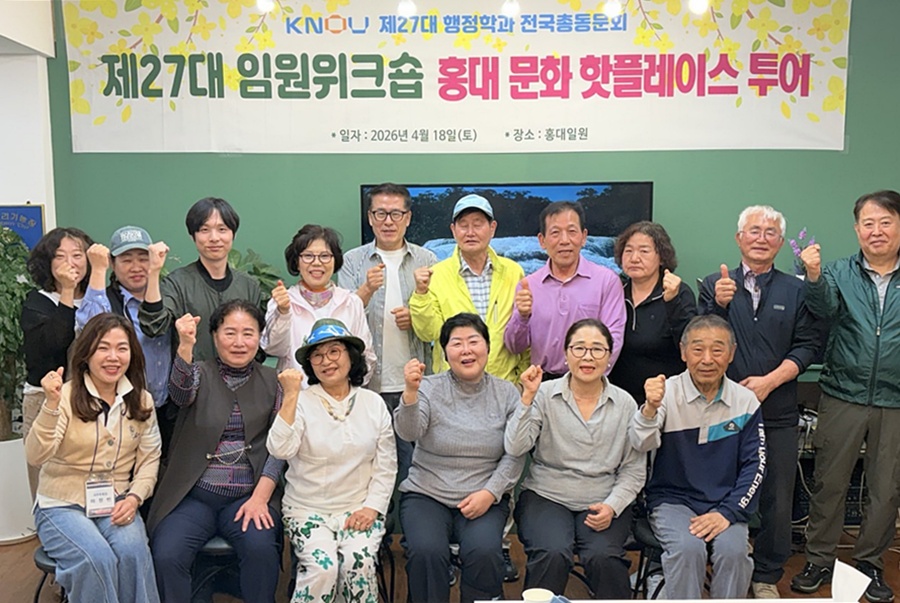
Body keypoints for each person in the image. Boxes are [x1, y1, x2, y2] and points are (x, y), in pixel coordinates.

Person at [698, 205, 824, 599]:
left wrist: (770, 382)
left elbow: (809, 345)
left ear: (781, 243)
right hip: (721, 411)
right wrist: (717, 305)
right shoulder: (714, 284)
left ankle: (766, 574)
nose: (761, 238)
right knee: (714, 488)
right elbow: (698, 342)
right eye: (754, 230)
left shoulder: (797, 289)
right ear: (739, 238)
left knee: (777, 498)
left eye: (771, 232)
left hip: (778, 411)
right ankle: (716, 563)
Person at [790, 190, 900, 603]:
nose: (876, 231)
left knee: (886, 489)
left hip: (895, 399)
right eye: (868, 223)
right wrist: (813, 275)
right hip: (842, 395)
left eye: (886, 222)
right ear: (857, 230)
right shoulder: (837, 272)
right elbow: (823, 309)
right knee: (829, 483)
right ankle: (819, 559)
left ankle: (870, 563)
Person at [148, 300, 284, 603]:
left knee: (261, 549)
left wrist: (260, 498)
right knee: (167, 554)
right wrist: (185, 345)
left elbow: (280, 447)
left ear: (260, 338)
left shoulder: (274, 382)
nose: (239, 342)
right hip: (193, 497)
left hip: (247, 498)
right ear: (214, 336)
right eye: (230, 333)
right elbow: (179, 394)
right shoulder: (198, 373)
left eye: (248, 333)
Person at [25, 313, 161, 603]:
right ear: (86, 353)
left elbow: (150, 460)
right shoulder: (64, 397)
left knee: (133, 552)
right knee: (96, 559)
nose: (113, 357)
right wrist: (50, 405)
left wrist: (134, 498)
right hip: (60, 504)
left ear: (132, 355)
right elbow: (36, 456)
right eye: (103, 347)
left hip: (116, 499)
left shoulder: (142, 400)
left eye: (122, 348)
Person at [628, 314, 766, 599]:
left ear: (731, 353)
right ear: (683, 352)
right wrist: (650, 409)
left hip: (726, 501)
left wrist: (727, 512)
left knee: (734, 552)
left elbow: (755, 465)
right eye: (698, 349)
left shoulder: (746, 401)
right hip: (672, 500)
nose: (707, 359)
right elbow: (640, 443)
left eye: (717, 350)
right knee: (688, 548)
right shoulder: (666, 394)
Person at [506, 318, 645, 598]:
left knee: (603, 556)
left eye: (597, 349)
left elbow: (633, 469)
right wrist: (527, 399)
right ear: (566, 353)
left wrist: (613, 507)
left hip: (602, 498)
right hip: (547, 495)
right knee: (553, 551)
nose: (587, 357)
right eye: (579, 348)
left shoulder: (625, 403)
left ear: (609, 356)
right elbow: (515, 446)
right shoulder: (544, 394)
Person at [395, 313, 526, 603]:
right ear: (445, 353)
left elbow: (515, 453)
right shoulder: (428, 387)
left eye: (473, 341)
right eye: (456, 343)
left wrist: (490, 493)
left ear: (487, 347)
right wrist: (411, 393)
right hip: (427, 493)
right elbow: (408, 432)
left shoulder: (506, 393)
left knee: (484, 551)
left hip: (483, 494)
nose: (466, 350)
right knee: (426, 551)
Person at [267, 318, 397, 603]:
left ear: (351, 356)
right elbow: (279, 449)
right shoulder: (301, 402)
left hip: (359, 507)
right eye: (317, 355)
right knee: (322, 568)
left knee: (357, 563)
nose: (326, 361)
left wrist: (372, 507)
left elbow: (386, 466)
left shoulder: (373, 404)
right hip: (307, 509)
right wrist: (290, 396)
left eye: (334, 351)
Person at [337, 183, 437, 484]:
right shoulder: (352, 261)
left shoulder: (427, 260)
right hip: (368, 382)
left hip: (415, 380)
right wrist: (367, 289)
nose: (388, 221)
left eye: (396, 214)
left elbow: (439, 321)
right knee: (369, 463)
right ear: (370, 218)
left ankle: (410, 515)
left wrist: (416, 317)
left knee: (414, 465)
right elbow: (342, 320)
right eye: (380, 213)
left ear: (408, 218)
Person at [409, 194, 528, 384]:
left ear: (492, 228)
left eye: (478, 224)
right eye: (463, 225)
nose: (470, 232)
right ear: (453, 230)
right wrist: (421, 295)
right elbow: (429, 333)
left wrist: (520, 382)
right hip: (453, 387)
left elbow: (523, 328)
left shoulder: (513, 272)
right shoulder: (437, 274)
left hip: (503, 385)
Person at [505, 201, 626, 379]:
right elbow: (514, 347)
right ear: (542, 240)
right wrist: (521, 317)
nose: (564, 240)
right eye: (555, 233)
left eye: (572, 231)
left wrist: (587, 379)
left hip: (589, 380)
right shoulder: (528, 286)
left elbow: (613, 339)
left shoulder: (606, 281)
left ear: (584, 237)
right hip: (543, 383)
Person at [139, 197, 260, 363]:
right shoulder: (177, 283)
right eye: (204, 230)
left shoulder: (249, 286)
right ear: (192, 236)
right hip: (192, 377)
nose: (214, 238)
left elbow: (258, 343)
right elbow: (153, 326)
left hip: (241, 377)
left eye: (222, 229)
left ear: (233, 234)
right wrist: (153, 271)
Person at [21, 226, 94, 498]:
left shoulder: (98, 298)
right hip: (46, 402)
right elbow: (55, 343)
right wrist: (67, 291)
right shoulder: (36, 303)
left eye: (77, 255)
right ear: (47, 263)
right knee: (47, 490)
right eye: (60, 256)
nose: (70, 263)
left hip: (90, 402)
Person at [262, 224, 376, 387]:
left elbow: (366, 356)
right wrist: (283, 313)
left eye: (325, 256)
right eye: (308, 256)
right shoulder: (283, 301)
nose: (316, 263)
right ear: (297, 262)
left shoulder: (351, 302)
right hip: (297, 397)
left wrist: (346, 391)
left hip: (341, 398)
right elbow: (272, 349)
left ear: (335, 260)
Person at [77, 226, 173, 409]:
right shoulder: (105, 300)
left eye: (143, 259)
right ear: (112, 264)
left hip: (170, 407)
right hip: (124, 406)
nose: (136, 268)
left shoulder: (169, 297)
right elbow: (91, 332)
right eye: (126, 260)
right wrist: (98, 270)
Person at [610, 221, 696, 402]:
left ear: (662, 257)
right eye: (628, 251)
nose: (634, 258)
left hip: (665, 399)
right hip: (617, 398)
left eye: (644, 251)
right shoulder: (614, 291)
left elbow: (690, 345)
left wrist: (672, 302)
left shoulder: (678, 292)